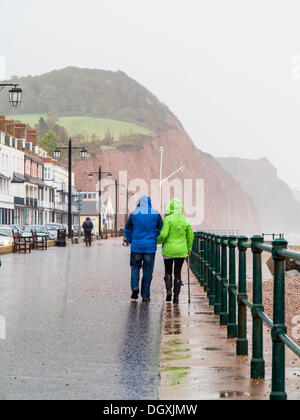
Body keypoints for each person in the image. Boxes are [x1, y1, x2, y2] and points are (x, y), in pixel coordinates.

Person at [124, 196, 163, 303]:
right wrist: (155, 236)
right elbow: (161, 228)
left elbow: (127, 228)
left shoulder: (134, 214)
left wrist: (130, 239)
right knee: (148, 271)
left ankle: (135, 287)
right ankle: (145, 296)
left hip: (136, 246)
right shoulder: (156, 214)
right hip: (150, 248)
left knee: (135, 268)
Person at [157, 198, 194, 303]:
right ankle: (176, 297)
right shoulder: (185, 220)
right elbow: (190, 237)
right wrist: (189, 248)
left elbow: (163, 234)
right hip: (181, 251)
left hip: (168, 250)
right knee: (177, 273)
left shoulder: (168, 220)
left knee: (168, 271)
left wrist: (157, 241)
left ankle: (169, 291)